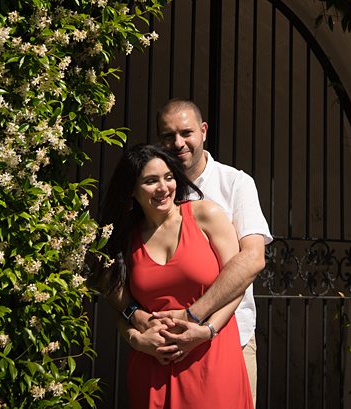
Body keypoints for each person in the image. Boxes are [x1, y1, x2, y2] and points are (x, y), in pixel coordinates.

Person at [122, 98, 272, 407]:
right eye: (168, 135)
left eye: (186, 132)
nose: (178, 143)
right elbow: (117, 279)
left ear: (203, 131)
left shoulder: (235, 183)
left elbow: (252, 259)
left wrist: (197, 321)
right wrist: (137, 329)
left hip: (230, 338)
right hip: (160, 352)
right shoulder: (151, 198)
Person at [97, 143, 253, 409]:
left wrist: (206, 330)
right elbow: (119, 306)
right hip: (152, 364)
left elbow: (237, 285)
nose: (163, 188)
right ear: (132, 190)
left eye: (168, 177)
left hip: (211, 355)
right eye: (150, 181)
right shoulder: (126, 239)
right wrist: (137, 339)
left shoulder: (206, 214)